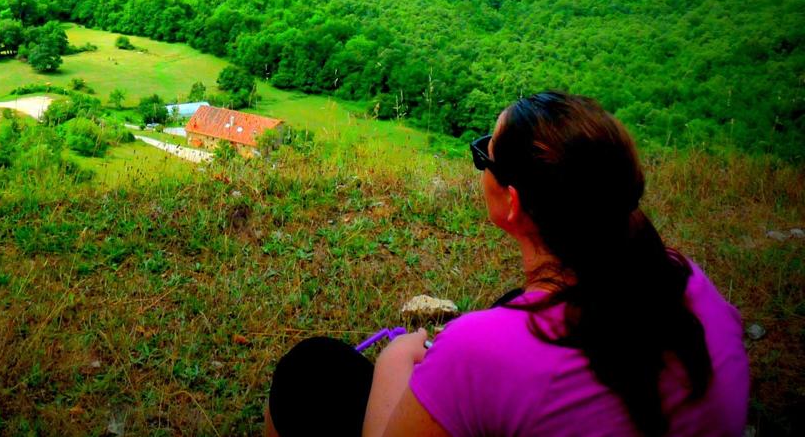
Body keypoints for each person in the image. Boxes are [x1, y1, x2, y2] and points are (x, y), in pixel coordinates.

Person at [266, 91, 749, 437]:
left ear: (513, 202)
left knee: (310, 372)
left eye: (485, 156)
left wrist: (397, 356)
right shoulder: (686, 279)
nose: (481, 164)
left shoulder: (478, 351)